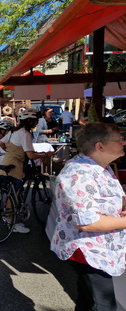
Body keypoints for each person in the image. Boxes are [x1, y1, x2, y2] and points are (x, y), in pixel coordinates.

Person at [50, 122, 126, 311]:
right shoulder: (79, 174)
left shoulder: (101, 166)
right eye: (119, 139)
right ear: (100, 146)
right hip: (88, 250)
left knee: (88, 299)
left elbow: (103, 203)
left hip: (100, 246)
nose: (124, 142)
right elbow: (88, 222)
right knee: (103, 305)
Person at [0, 109, 54, 233]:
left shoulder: (14, 131)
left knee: (10, 193)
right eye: (35, 121)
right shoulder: (25, 133)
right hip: (16, 167)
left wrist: (11, 152)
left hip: (6, 164)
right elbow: (30, 155)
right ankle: (12, 221)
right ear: (29, 121)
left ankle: (9, 217)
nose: (36, 124)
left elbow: (0, 142)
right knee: (14, 195)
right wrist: (46, 154)